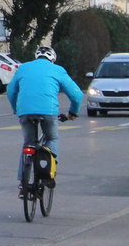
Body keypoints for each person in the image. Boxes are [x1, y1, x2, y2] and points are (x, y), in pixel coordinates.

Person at [7, 44, 83, 194]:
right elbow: (77, 95)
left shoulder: (23, 68)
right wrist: (73, 112)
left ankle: (23, 183)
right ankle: (48, 174)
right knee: (52, 138)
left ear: (36, 57)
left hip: (25, 111)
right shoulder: (58, 70)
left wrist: (17, 109)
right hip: (48, 111)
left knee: (28, 144)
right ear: (53, 59)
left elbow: (10, 91)